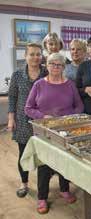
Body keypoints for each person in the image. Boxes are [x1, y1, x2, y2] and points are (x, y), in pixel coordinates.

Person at [25, 53, 84, 214]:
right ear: (47, 65)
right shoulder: (38, 85)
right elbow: (28, 108)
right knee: (44, 163)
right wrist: (43, 117)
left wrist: (69, 117)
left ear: (64, 67)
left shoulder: (70, 85)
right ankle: (42, 197)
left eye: (59, 65)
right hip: (45, 130)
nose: (55, 67)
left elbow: (79, 106)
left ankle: (64, 189)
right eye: (52, 64)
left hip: (66, 130)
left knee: (65, 160)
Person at [7, 43, 48, 198]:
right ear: (25, 56)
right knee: (23, 153)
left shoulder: (47, 73)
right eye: (32, 54)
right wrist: (11, 118)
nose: (35, 57)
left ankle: (43, 189)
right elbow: (12, 97)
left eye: (38, 54)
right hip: (23, 120)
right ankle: (24, 184)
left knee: (43, 155)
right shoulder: (17, 75)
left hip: (42, 120)